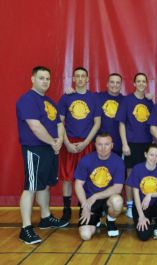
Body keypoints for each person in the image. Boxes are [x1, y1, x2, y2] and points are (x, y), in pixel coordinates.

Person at [16, 66, 69, 244]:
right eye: (41, 78)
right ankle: (26, 228)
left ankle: (45, 218)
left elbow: (59, 124)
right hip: (35, 149)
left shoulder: (49, 102)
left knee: (45, 184)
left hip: (49, 148)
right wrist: (53, 142)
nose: (45, 81)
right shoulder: (27, 100)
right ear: (32, 79)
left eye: (47, 78)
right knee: (31, 187)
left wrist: (59, 141)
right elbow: (35, 126)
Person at [58, 67, 101, 222]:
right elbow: (60, 122)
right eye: (78, 76)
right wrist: (67, 142)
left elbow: (97, 123)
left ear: (88, 79)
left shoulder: (94, 98)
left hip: (86, 142)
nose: (81, 79)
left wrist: (87, 142)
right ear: (74, 79)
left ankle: (85, 206)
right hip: (69, 142)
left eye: (83, 76)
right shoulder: (66, 97)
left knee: (87, 178)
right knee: (67, 178)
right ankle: (67, 210)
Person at [116, 73, 153, 218]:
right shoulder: (126, 101)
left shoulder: (149, 102)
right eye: (139, 81)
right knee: (130, 175)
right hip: (131, 144)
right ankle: (130, 206)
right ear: (134, 83)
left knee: (143, 174)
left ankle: (143, 204)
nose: (142, 83)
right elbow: (121, 123)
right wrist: (125, 144)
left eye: (144, 81)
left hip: (146, 144)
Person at [74, 133, 124, 240]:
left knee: (118, 201)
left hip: (107, 198)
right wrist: (85, 206)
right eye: (100, 144)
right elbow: (78, 185)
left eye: (107, 144)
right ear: (95, 145)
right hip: (90, 201)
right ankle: (96, 219)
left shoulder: (118, 162)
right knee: (85, 235)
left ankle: (110, 221)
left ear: (112, 145)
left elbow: (117, 188)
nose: (103, 148)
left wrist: (96, 196)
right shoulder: (86, 160)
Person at [126, 144, 157, 241]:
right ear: (145, 154)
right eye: (151, 155)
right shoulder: (137, 169)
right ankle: (148, 220)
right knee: (144, 236)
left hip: (155, 205)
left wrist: (150, 195)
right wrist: (141, 216)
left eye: (156, 156)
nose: (154, 158)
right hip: (141, 206)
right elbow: (136, 195)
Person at [96, 73, 125, 155]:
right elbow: (83, 95)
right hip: (99, 145)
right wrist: (72, 92)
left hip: (117, 145)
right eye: (112, 82)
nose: (115, 85)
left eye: (117, 82)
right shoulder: (97, 97)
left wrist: (147, 97)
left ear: (121, 85)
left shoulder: (126, 101)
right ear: (107, 84)